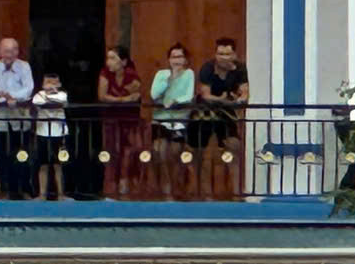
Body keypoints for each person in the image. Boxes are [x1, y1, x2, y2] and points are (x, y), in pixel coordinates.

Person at [193, 35, 249, 194]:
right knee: (204, 154)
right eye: (220, 54)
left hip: (227, 114)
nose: (224, 58)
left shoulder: (240, 68)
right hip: (204, 113)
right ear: (215, 54)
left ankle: (238, 192)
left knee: (234, 147)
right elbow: (206, 95)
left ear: (234, 55)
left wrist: (241, 99)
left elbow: (244, 90)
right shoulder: (207, 68)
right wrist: (224, 100)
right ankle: (205, 194)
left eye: (227, 54)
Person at [0, 37, 37, 198]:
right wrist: (6, 101)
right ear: (0, 52)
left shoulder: (24, 67)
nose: (10, 54)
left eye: (14, 50)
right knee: (3, 156)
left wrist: (10, 96)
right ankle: (6, 191)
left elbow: (28, 89)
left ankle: (24, 190)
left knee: (22, 155)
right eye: (7, 50)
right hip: (1, 121)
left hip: (21, 121)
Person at [149, 43, 195, 193]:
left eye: (180, 57)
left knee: (175, 154)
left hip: (179, 121)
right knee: (160, 153)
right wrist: (170, 79)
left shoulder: (189, 74)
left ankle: (177, 186)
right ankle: (166, 189)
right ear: (168, 60)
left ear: (186, 59)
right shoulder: (161, 74)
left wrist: (175, 101)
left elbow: (188, 95)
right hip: (160, 119)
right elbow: (154, 95)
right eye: (173, 57)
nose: (177, 60)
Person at [97, 50, 144, 195]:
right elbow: (102, 95)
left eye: (113, 58)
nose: (108, 62)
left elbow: (136, 94)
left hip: (129, 118)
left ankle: (128, 182)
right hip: (111, 118)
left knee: (130, 150)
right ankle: (111, 185)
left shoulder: (132, 75)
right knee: (112, 151)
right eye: (108, 58)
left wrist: (119, 99)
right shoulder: (105, 73)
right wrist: (122, 100)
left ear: (123, 62)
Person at [32, 73, 69, 199]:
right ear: (42, 84)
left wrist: (49, 98)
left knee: (58, 165)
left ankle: (61, 194)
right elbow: (37, 101)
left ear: (59, 85)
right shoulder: (39, 95)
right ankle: (42, 194)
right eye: (47, 83)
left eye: (54, 83)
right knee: (43, 164)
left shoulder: (63, 94)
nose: (50, 85)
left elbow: (62, 101)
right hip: (42, 133)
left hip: (58, 133)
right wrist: (49, 99)